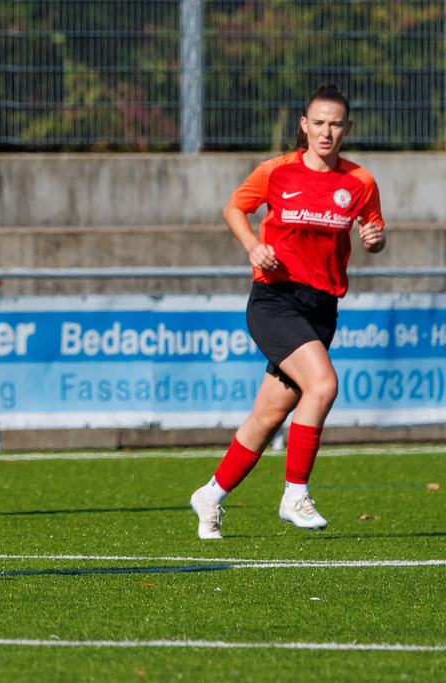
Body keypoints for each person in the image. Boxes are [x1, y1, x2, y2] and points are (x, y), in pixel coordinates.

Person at [189, 83, 386, 540]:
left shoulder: (359, 182)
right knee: (323, 383)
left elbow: (373, 231)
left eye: (335, 124)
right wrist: (253, 246)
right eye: (318, 122)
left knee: (268, 415)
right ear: (304, 124)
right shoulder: (276, 171)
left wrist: (375, 240)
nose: (326, 131)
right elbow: (234, 208)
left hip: (322, 307)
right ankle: (295, 493)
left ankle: (211, 495)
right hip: (275, 299)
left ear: (347, 128)